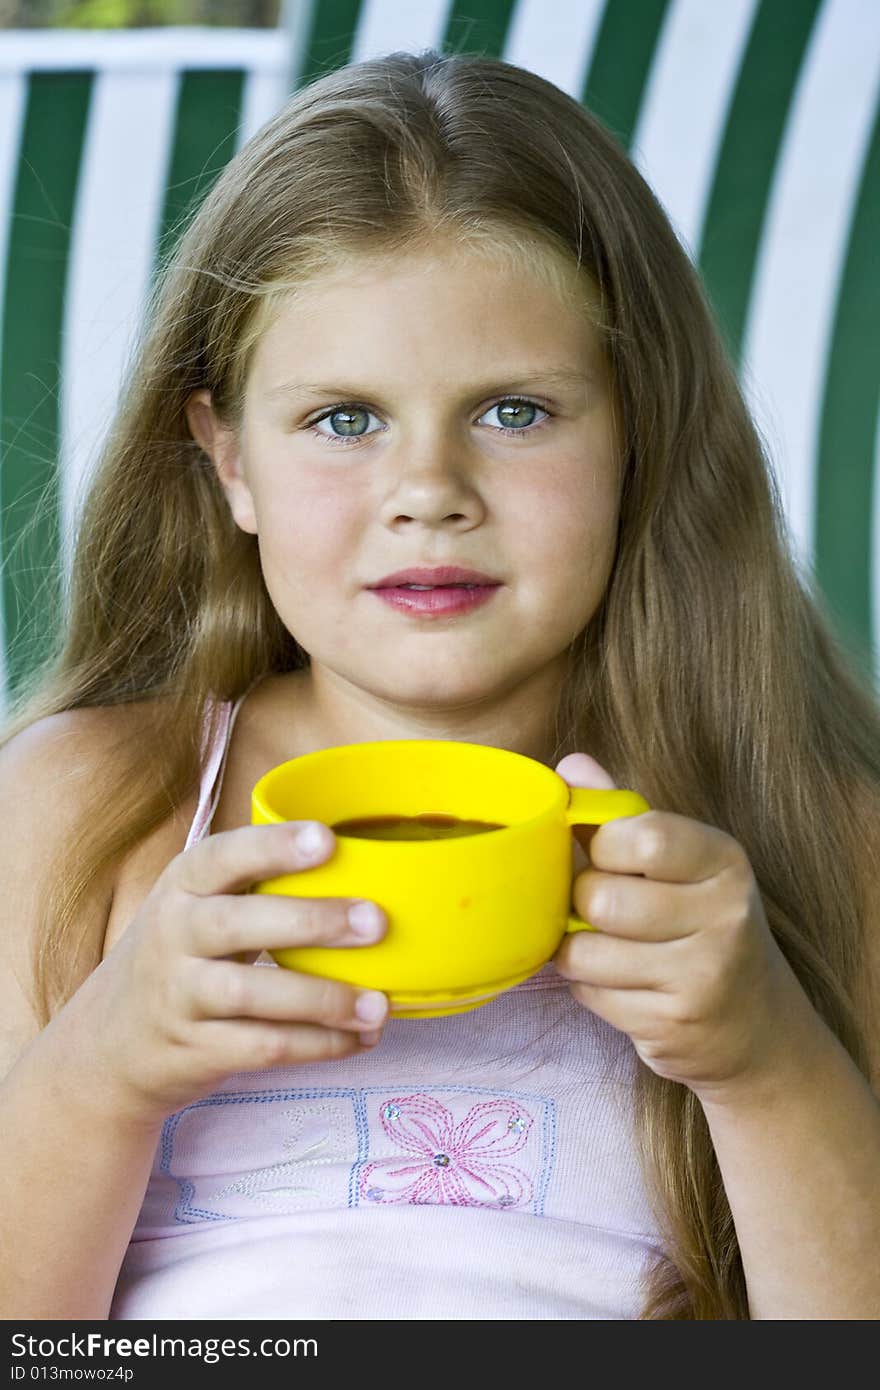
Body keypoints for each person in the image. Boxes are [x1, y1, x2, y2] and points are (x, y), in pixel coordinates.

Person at [1, 48, 878, 1323]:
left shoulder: (816, 839)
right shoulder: (82, 812)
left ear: (640, 434)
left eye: (515, 412)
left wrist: (767, 1062)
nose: (429, 491)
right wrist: (100, 1070)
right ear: (227, 458)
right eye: (344, 419)